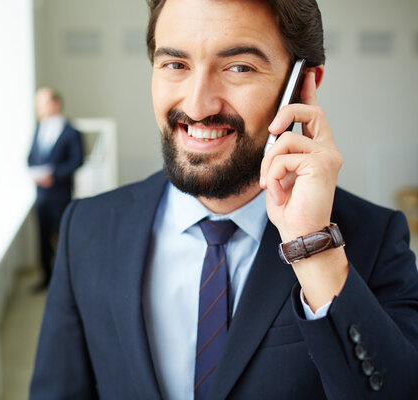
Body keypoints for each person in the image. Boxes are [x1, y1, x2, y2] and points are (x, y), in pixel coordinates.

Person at [30, 0, 418, 399]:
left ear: (302, 86)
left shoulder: (374, 239)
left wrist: (313, 247)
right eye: (175, 65)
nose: (197, 106)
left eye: (239, 68)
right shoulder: (87, 229)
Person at [28, 87, 83, 291]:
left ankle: (67, 280)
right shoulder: (38, 129)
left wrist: (55, 175)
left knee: (63, 237)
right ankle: (46, 278)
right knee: (42, 238)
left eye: (42, 103)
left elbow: (77, 160)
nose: (38, 108)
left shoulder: (71, 131)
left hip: (61, 194)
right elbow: (30, 156)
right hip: (41, 196)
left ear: (55, 104)